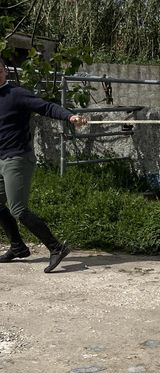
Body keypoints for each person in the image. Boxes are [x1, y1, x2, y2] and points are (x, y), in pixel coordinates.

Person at [0, 55, 88, 272]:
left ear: (5, 71)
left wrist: (69, 117)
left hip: (17, 158)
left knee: (18, 209)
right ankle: (18, 247)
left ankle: (56, 247)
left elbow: (46, 107)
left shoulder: (16, 94)